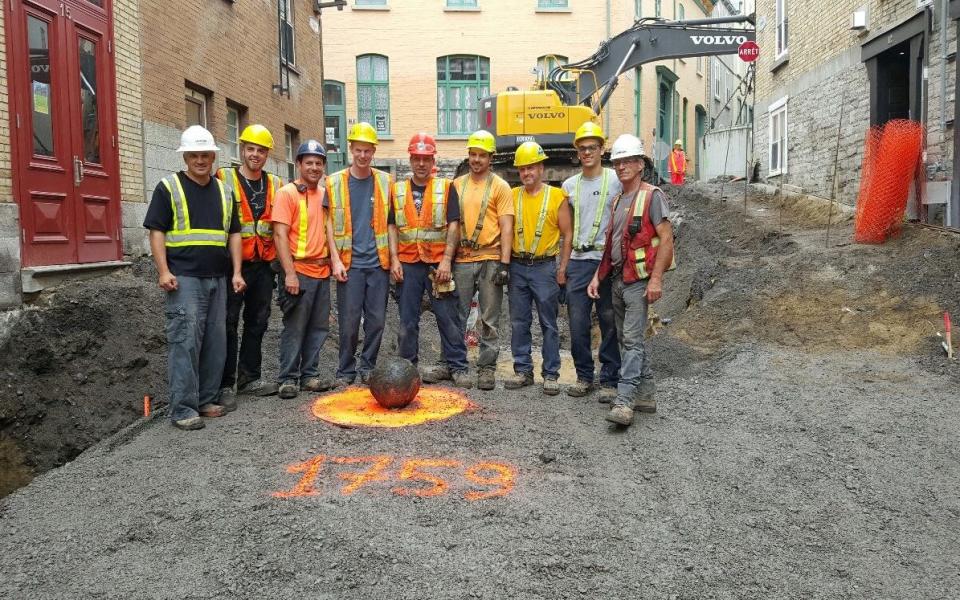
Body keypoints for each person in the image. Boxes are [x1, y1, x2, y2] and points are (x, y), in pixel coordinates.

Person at [143, 125, 245, 430]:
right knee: (185, 342)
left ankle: (206, 399)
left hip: (217, 277)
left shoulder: (225, 192)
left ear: (213, 156)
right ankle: (183, 408)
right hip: (184, 278)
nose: (200, 160)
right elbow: (156, 231)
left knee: (216, 342)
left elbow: (234, 234)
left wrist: (236, 272)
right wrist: (163, 270)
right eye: (194, 155)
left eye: (205, 155)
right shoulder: (169, 187)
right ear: (185, 157)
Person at [588, 134, 675, 427]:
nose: (622, 166)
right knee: (629, 341)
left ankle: (624, 402)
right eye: (618, 162)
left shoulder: (652, 196)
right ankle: (646, 395)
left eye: (628, 161)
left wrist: (656, 280)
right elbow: (611, 244)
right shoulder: (617, 201)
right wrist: (597, 278)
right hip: (617, 280)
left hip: (639, 282)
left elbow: (666, 240)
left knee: (633, 341)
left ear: (640, 165)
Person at [389, 133, 471, 387]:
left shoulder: (446, 188)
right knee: (407, 320)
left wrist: (447, 260)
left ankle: (458, 366)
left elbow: (454, 225)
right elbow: (391, 226)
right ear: (411, 159)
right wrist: (394, 259)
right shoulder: (398, 190)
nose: (421, 164)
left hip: (438, 265)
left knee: (447, 317)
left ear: (432, 159)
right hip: (408, 264)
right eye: (417, 158)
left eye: (426, 159)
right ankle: (407, 369)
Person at [216, 124, 283, 403]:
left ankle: (249, 377)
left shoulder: (276, 184)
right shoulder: (224, 178)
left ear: (267, 154)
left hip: (263, 265)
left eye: (261, 150)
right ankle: (224, 382)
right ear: (242, 149)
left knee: (257, 322)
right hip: (233, 265)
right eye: (251, 149)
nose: (255, 155)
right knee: (228, 322)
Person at [326, 122, 392, 385]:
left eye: (368, 151)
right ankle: (345, 369)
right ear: (350, 149)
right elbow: (328, 223)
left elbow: (391, 224)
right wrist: (334, 260)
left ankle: (368, 366)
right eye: (358, 150)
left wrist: (393, 259)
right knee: (349, 322)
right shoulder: (334, 183)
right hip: (349, 265)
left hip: (378, 264)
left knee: (376, 321)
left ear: (374, 151)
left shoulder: (386, 182)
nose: (363, 156)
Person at [505, 141, 572, 396]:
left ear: (541, 168)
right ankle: (523, 370)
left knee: (548, 322)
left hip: (544, 266)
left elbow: (567, 234)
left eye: (531, 167)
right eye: (522, 169)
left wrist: (562, 268)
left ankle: (551, 373)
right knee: (519, 321)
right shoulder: (512, 195)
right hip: (518, 265)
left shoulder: (556, 197)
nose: (526, 173)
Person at [561, 122, 622, 401]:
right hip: (578, 260)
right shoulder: (569, 186)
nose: (587, 152)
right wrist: (562, 266)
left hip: (607, 260)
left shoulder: (615, 180)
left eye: (592, 147)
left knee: (609, 320)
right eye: (582, 148)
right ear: (577, 152)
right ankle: (584, 375)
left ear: (601, 149)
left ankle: (609, 378)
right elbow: (566, 229)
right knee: (577, 322)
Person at [271, 140, 336, 399]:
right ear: (298, 164)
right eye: (308, 162)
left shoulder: (324, 194)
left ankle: (309, 375)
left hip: (321, 271)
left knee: (318, 328)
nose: (314, 167)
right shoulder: (286, 194)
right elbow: (279, 235)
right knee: (295, 327)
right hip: (298, 271)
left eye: (318, 163)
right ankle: (288, 378)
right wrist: (289, 273)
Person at [452, 130, 514, 390]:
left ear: (491, 158)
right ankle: (455, 362)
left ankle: (487, 368)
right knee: (458, 314)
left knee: (489, 318)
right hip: (463, 258)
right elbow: (451, 225)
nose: (477, 160)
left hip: (490, 256)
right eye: (473, 155)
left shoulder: (500, 186)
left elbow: (507, 226)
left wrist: (505, 263)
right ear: (469, 156)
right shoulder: (457, 185)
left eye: (482, 156)